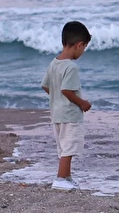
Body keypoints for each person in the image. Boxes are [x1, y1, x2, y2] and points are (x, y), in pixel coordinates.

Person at [41, 21, 92, 191]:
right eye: (84, 48)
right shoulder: (71, 67)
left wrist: (57, 99)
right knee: (69, 148)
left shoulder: (54, 63)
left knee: (64, 147)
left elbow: (45, 85)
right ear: (79, 45)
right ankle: (60, 178)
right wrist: (82, 103)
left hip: (56, 113)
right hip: (70, 115)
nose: (83, 52)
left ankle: (67, 177)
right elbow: (67, 90)